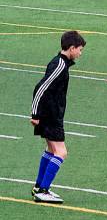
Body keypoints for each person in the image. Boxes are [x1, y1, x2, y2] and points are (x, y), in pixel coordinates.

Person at [30, 30, 87, 204]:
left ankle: (39, 187)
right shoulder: (60, 65)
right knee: (61, 152)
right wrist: (35, 114)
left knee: (51, 150)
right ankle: (43, 190)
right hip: (50, 116)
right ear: (71, 48)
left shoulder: (60, 63)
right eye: (79, 49)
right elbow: (40, 88)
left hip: (51, 114)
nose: (80, 53)